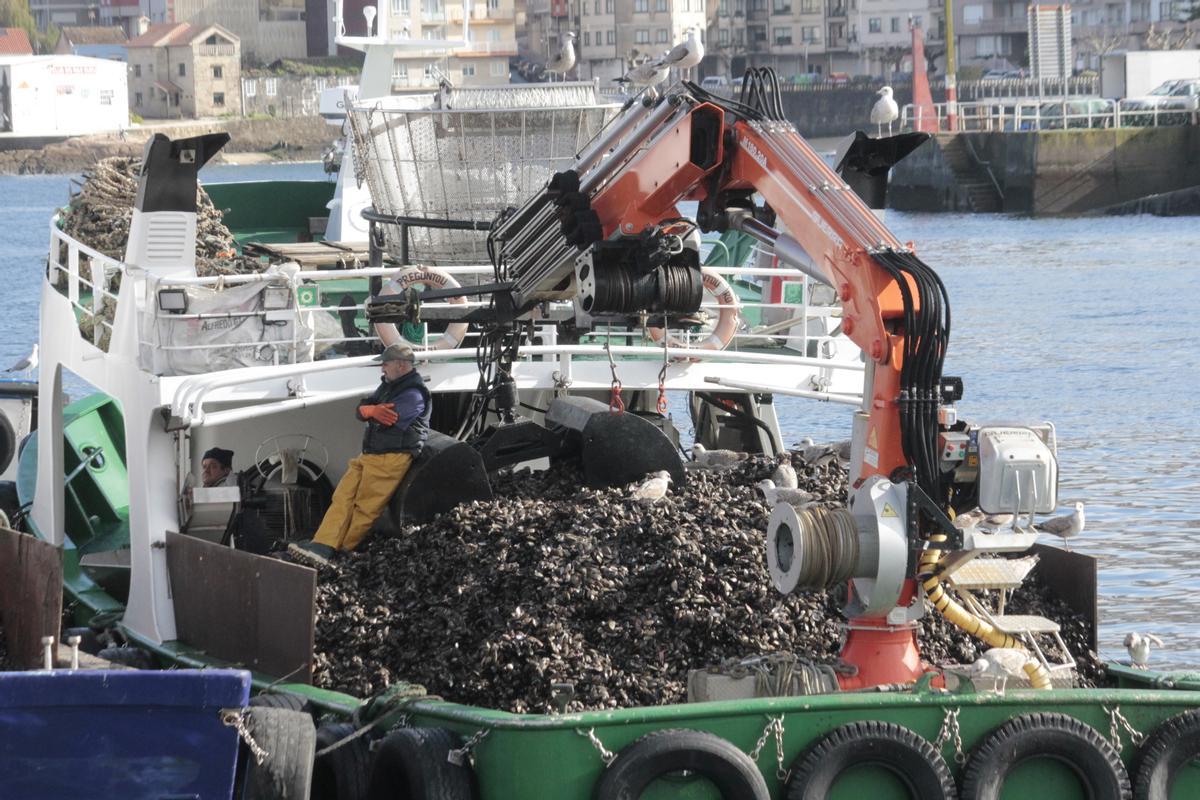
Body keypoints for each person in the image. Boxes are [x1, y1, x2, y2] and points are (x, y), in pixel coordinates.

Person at [289, 342, 430, 565]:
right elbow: (364, 408)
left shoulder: (414, 394)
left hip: (391, 458)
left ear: (401, 365)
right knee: (343, 497)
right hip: (371, 454)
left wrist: (370, 411)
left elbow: (391, 418)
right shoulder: (389, 386)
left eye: (386, 364)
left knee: (366, 507)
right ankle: (323, 544)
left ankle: (340, 551)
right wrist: (368, 410)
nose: (382, 368)